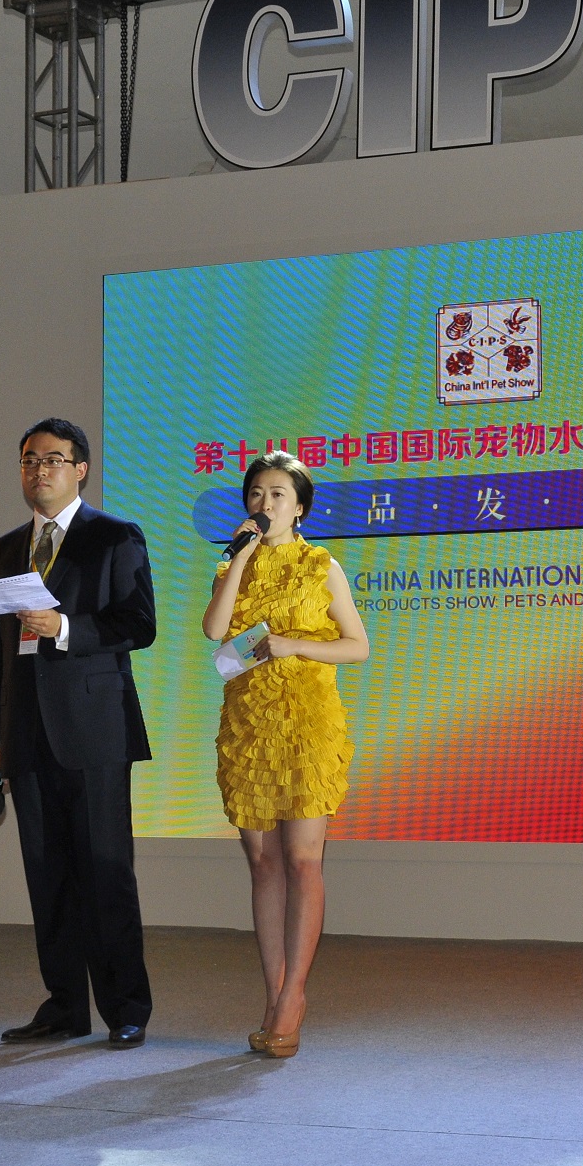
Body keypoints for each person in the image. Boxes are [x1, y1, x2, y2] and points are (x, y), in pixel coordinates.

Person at [0, 417, 158, 1049]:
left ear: (80, 469)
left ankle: (126, 1007)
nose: (39, 471)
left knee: (106, 871)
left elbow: (139, 624)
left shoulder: (115, 536)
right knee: (47, 876)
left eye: (53, 460)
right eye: (29, 460)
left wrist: (66, 628)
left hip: (94, 730)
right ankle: (63, 1007)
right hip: (25, 734)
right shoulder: (4, 550)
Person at [201, 452, 369, 1059]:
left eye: (278, 494)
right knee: (263, 863)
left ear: (299, 508)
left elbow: (357, 646)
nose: (265, 502)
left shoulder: (321, 565)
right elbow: (215, 632)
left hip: (307, 724)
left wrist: (293, 644)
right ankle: (272, 995)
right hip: (250, 727)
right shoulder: (232, 564)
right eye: (257, 493)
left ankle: (294, 995)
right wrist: (241, 556)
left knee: (302, 859)